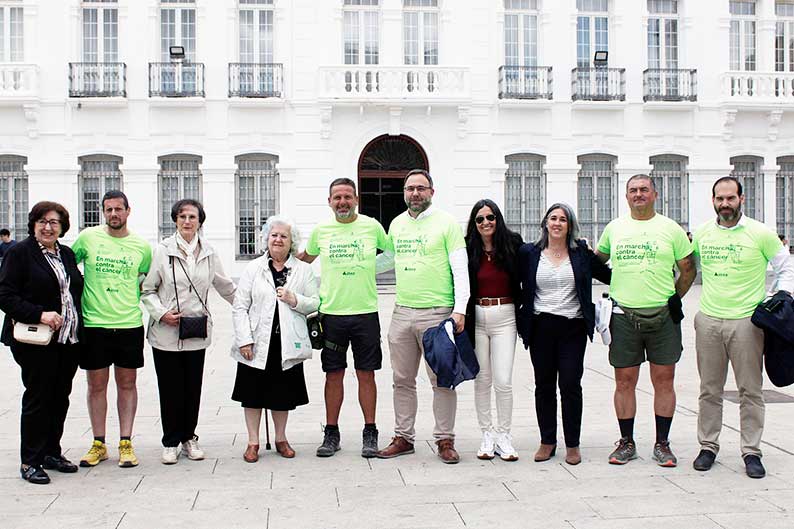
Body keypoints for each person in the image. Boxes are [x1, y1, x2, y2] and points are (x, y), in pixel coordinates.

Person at [692, 177, 794, 479]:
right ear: (713, 200)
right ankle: (708, 446)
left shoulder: (760, 233)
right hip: (709, 320)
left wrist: (781, 297)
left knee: (750, 390)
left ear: (741, 199)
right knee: (709, 389)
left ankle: (751, 451)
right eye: (720, 199)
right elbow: (684, 265)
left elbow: (786, 266)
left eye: (730, 198)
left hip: (747, 323)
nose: (725, 204)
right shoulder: (702, 233)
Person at [596, 174, 696, 467]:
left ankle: (662, 443)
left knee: (664, 380)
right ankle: (626, 442)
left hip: (663, 317)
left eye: (643, 189)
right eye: (633, 190)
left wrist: (674, 297)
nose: (638, 194)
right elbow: (595, 262)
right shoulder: (614, 228)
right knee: (624, 381)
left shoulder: (671, 228)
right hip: (623, 318)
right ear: (626, 196)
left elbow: (688, 268)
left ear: (655, 194)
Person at [376, 169, 470, 464]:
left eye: (420, 188)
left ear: (431, 192)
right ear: (404, 193)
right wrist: (351, 265)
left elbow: (460, 268)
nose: (415, 193)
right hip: (402, 312)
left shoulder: (447, 223)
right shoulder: (397, 224)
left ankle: (445, 439)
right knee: (402, 379)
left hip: (437, 314)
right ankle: (403, 437)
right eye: (410, 189)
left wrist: (460, 309)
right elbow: (388, 259)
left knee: (442, 379)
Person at [299, 178, 389, 458]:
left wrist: (368, 267)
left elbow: (392, 253)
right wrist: (276, 259)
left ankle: (370, 432)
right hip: (332, 315)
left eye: (348, 197)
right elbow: (304, 260)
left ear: (356, 200)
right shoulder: (321, 231)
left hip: (365, 313)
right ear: (329, 202)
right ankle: (331, 433)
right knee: (333, 373)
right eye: (337, 197)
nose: (342, 202)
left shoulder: (372, 226)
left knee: (366, 373)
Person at [142, 199, 236, 465]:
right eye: (182, 216)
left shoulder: (209, 251)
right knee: (170, 388)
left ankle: (189, 437)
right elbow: (148, 290)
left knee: (192, 388)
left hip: (195, 330)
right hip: (166, 332)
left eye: (192, 217)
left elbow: (225, 286)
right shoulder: (163, 251)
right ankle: (170, 441)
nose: (187, 221)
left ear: (199, 221)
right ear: (175, 220)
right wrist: (161, 313)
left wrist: (250, 305)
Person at [517, 203, 611, 466]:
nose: (557, 223)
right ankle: (547, 441)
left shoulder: (581, 253)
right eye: (553, 218)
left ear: (570, 226)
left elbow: (608, 276)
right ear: (545, 223)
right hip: (541, 326)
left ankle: (572, 444)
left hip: (573, 327)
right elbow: (514, 281)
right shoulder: (529, 253)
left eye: (563, 219)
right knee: (544, 385)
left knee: (570, 384)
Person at [0, 203, 82, 484]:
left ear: (62, 227)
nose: (48, 227)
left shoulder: (66, 254)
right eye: (43, 222)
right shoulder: (19, 253)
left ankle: (51, 452)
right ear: (33, 224)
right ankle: (30, 461)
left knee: (60, 397)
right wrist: (39, 314)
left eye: (54, 222)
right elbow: (5, 295)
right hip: (35, 340)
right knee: (38, 397)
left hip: (67, 339)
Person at [72, 190, 152, 468]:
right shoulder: (88, 238)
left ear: (128, 211)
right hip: (94, 324)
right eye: (109, 209)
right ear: (103, 212)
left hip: (128, 323)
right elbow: (68, 264)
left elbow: (144, 278)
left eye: (119, 209)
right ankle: (99, 443)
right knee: (96, 386)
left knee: (127, 384)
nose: (114, 214)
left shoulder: (141, 246)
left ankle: (126, 442)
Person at [231, 216, 319, 462]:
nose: (278, 240)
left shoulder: (303, 270)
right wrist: (244, 340)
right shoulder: (253, 268)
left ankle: (281, 439)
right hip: (257, 341)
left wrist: (294, 299)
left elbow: (315, 303)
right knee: (252, 394)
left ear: (292, 242)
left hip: (286, 341)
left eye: (284, 236)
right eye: (274, 235)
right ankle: (252, 442)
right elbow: (240, 306)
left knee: (282, 394)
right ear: (267, 239)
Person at [463, 199, 523, 461]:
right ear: (474, 223)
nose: (485, 223)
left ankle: (504, 435)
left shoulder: (513, 243)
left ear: (497, 218)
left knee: (503, 380)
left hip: (505, 317)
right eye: (480, 219)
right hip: (477, 317)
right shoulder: (468, 248)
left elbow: (535, 260)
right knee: (482, 379)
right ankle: (487, 434)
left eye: (490, 217)